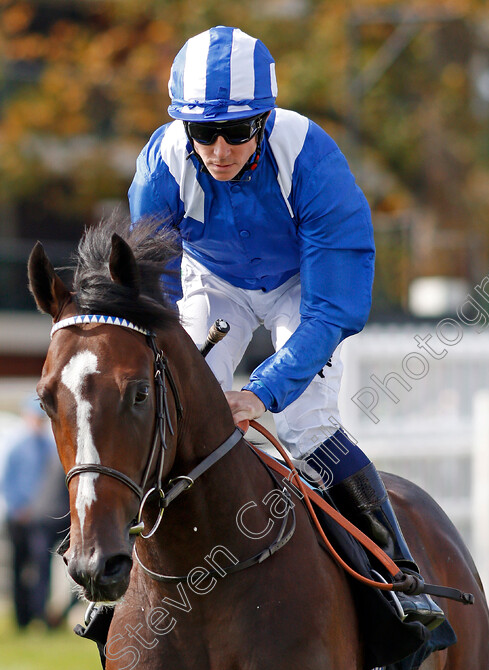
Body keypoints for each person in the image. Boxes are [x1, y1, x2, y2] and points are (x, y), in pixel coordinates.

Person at [128, 25, 444, 629]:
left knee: (305, 425)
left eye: (237, 132)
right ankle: (118, 577)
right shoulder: (161, 164)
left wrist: (262, 392)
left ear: (265, 121)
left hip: (302, 287)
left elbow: (332, 310)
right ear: (182, 127)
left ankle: (399, 578)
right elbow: (153, 290)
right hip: (213, 285)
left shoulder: (311, 159)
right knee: (161, 408)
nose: (218, 150)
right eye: (203, 132)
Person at [0, 397, 67, 629]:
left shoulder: (51, 448)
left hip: (42, 518)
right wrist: (19, 507)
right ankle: (22, 618)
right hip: (19, 518)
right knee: (20, 568)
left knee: (41, 567)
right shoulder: (18, 448)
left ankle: (40, 614)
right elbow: (6, 482)